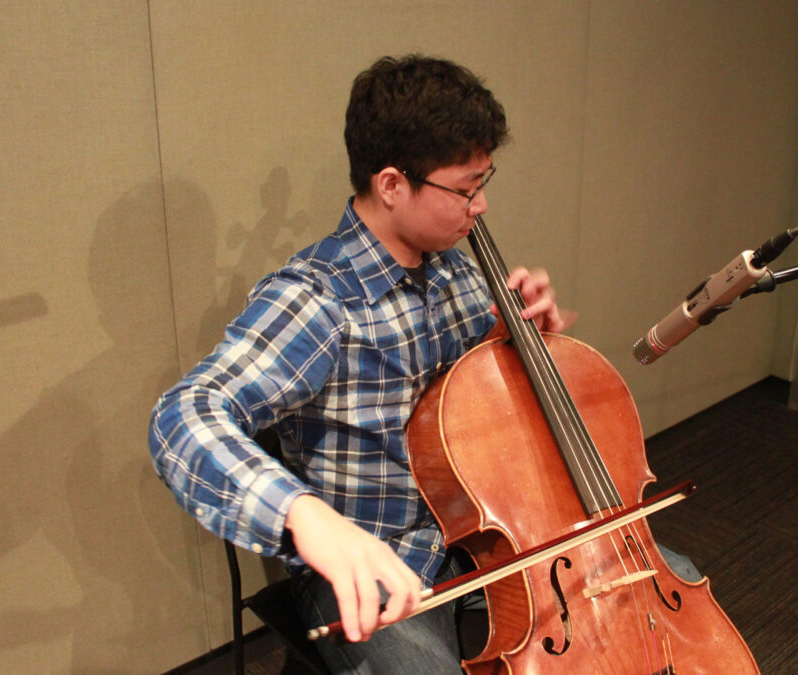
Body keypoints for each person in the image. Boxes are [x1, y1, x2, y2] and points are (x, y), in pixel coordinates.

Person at [148, 55, 570, 673]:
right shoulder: (318, 299)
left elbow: (469, 410)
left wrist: (511, 338)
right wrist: (306, 516)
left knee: (661, 589)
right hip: (375, 557)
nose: (480, 207)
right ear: (393, 184)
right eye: (466, 188)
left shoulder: (453, 269)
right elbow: (182, 416)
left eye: (485, 182)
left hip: (482, 534)